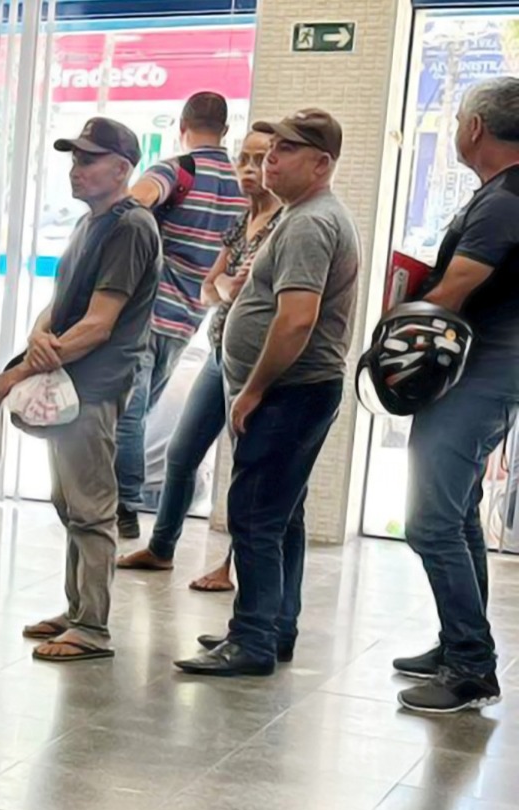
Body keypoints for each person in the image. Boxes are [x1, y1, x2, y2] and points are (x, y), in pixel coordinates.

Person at [176, 109, 358, 678]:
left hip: (288, 391)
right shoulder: (302, 215)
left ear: (321, 164)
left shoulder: (309, 223)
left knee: (254, 516)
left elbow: (296, 319)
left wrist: (254, 387)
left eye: (287, 149)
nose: (271, 158)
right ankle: (274, 626)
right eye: (270, 147)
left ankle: (252, 638)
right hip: (297, 389)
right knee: (282, 514)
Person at [0, 118, 160, 663]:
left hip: (93, 386)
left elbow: (98, 325)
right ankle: (76, 611)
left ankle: (92, 627)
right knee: (69, 503)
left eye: (88, 160)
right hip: (70, 383)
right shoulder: (92, 223)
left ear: (122, 168)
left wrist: (22, 370)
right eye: (74, 158)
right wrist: (38, 335)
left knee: (90, 508)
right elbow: (62, 303)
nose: (76, 169)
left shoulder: (129, 227)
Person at [396, 77, 519, 713]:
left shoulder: (504, 199)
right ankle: (457, 643)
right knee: (459, 510)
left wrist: (394, 325)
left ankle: (471, 667)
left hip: (481, 374)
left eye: (456, 121)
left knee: (431, 520)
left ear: (474, 128)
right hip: (484, 369)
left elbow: (454, 290)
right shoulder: (500, 194)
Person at [119, 128, 280, 591]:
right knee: (182, 451)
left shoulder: (283, 227)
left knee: (250, 468)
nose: (248, 169)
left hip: (255, 362)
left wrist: (227, 287)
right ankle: (161, 547)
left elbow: (253, 296)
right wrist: (228, 286)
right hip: (218, 351)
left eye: (260, 159)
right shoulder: (244, 220)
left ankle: (232, 567)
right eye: (243, 158)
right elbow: (212, 288)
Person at [114, 92, 248, 540]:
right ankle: (126, 499)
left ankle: (124, 503)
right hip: (190, 318)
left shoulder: (177, 169)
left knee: (128, 412)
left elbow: (133, 202)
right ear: (224, 131)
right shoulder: (242, 186)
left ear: (182, 126)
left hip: (147, 311)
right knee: (141, 409)